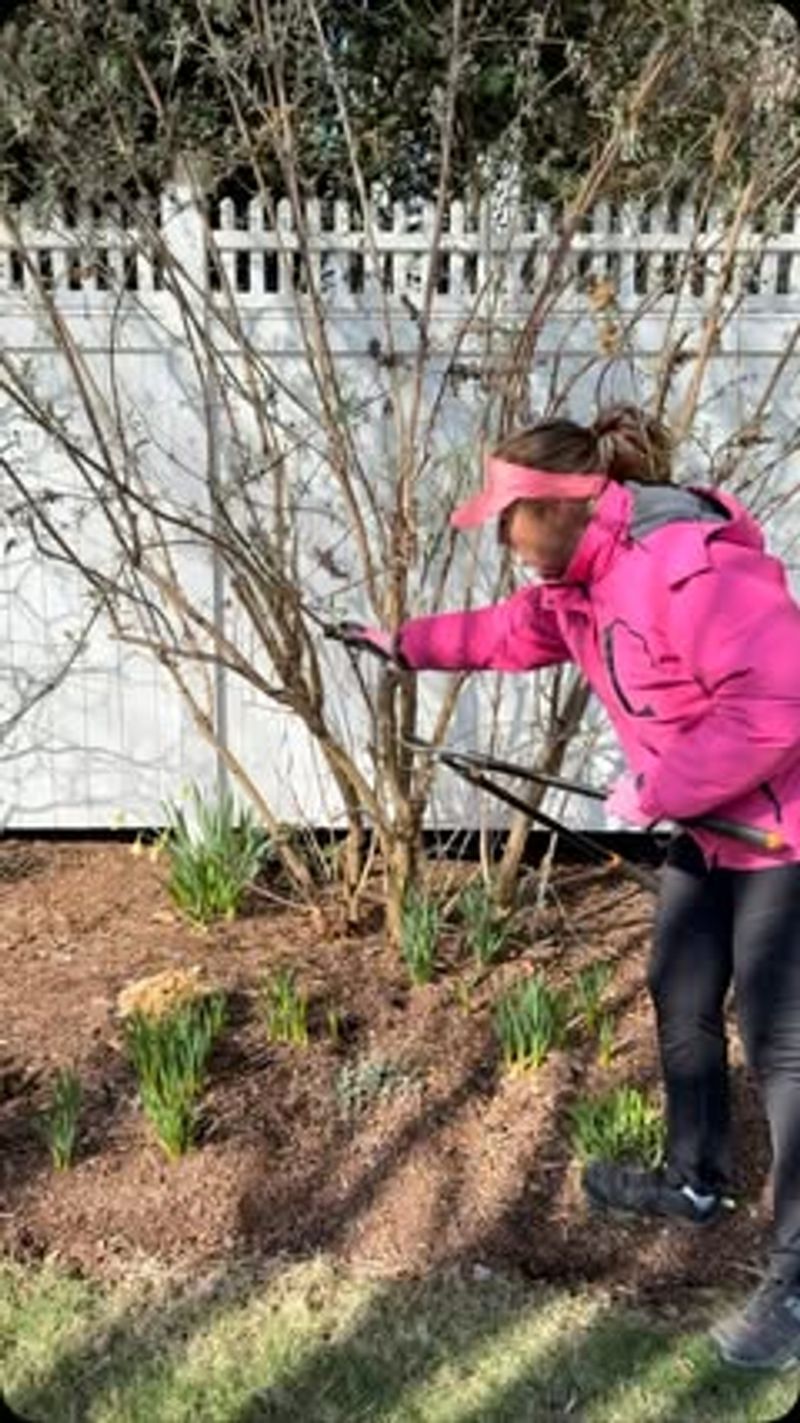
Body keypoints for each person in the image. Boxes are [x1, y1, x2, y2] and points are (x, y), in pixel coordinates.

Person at [338, 403, 800, 1371]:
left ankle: (793, 1285)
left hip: (779, 832)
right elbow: (506, 634)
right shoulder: (580, 582)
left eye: (508, 518)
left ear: (561, 504)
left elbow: (772, 709)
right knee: (678, 995)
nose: (501, 539)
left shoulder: (690, 564)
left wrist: (654, 785)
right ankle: (694, 1179)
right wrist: (400, 642)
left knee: (780, 1051)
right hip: (710, 828)